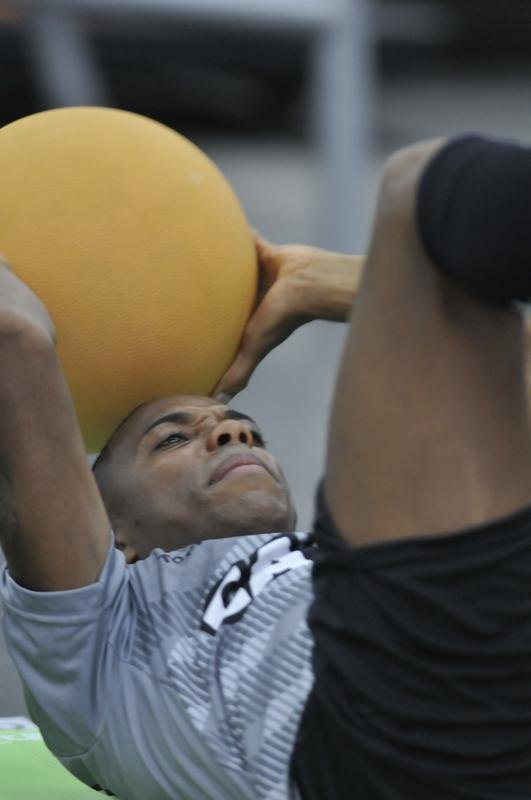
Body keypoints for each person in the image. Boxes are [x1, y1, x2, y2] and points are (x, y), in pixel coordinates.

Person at [2, 133, 531, 800]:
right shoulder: (96, 645)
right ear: (114, 534)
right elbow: (15, 336)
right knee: (415, 189)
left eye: (244, 429)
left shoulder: (326, 569)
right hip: (367, 745)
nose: (230, 431)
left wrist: (315, 284)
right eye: (170, 441)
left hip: (493, 677)